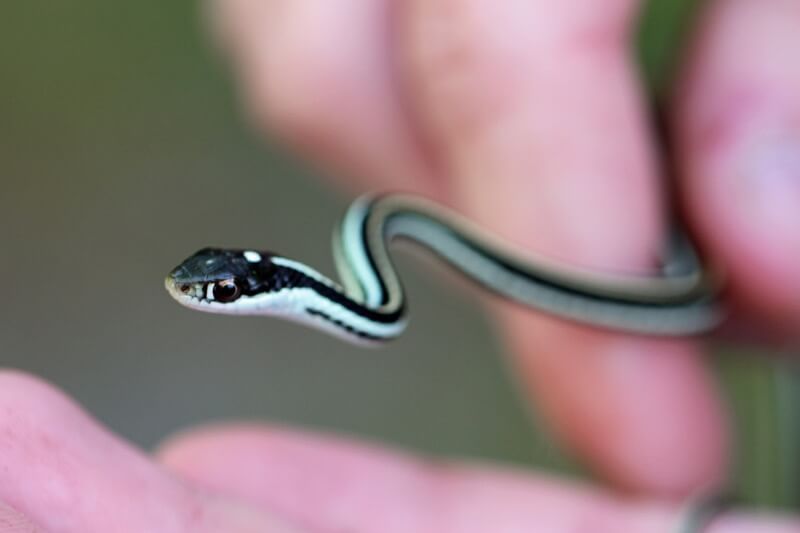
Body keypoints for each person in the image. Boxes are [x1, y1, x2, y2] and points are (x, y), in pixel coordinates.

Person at [1, 0, 798, 531]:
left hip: (696, 277)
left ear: (263, 286)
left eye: (220, 293)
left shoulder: (373, 244)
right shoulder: (368, 262)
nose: (205, 298)